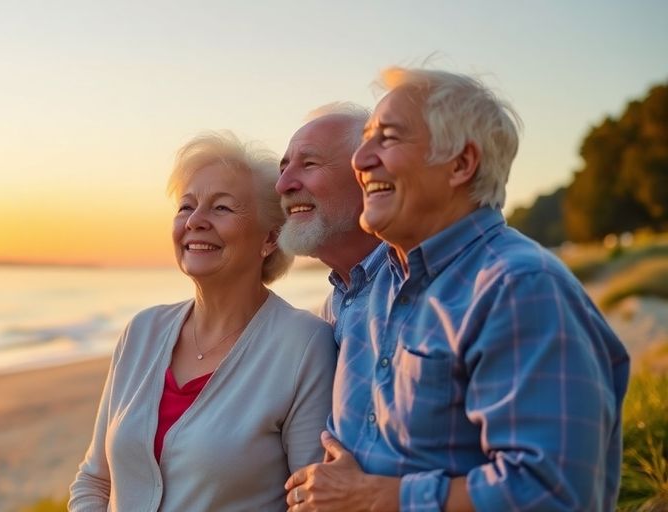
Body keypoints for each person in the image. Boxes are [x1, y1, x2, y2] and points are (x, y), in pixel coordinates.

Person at [285, 68, 630, 511]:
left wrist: (376, 498)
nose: (360, 160)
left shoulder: (519, 287)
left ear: (461, 164)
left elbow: (552, 490)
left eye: (386, 139)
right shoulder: (372, 289)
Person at [69, 131, 337, 511]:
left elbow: (310, 502)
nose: (195, 221)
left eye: (221, 208)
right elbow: (94, 480)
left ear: (270, 239)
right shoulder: (142, 331)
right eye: (186, 207)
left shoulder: (305, 344)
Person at [276, 102, 384, 331]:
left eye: (309, 164)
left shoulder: (420, 286)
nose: (282, 184)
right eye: (283, 169)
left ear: (369, 178)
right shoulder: (333, 309)